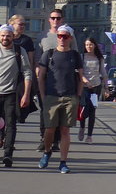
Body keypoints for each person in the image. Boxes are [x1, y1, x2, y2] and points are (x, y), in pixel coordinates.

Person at [37, 24, 83, 173]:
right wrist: (43, 96)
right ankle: (47, 151)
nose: (62, 39)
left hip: (69, 97)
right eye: (59, 36)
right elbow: (41, 77)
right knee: (49, 129)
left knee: (65, 130)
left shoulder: (75, 56)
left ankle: (63, 162)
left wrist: (78, 96)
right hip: (51, 96)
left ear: (70, 38)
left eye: (65, 36)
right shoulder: (49, 54)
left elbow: (81, 78)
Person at [0, 24, 34, 167]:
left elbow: (27, 72)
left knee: (11, 124)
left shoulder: (19, 51)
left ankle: (8, 155)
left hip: (11, 94)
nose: (5, 38)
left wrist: (26, 94)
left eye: (8, 35)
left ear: (13, 36)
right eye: (2, 35)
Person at [38, 9, 68, 155]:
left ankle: (55, 141)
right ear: (49, 20)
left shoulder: (68, 35)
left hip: (61, 79)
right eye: (53, 18)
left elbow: (73, 56)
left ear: (62, 20)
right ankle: (43, 139)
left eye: (58, 18)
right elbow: (37, 57)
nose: (55, 21)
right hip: (45, 77)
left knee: (58, 111)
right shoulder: (43, 36)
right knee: (45, 110)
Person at [8, 15, 38, 123]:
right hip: (6, 76)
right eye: (20, 24)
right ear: (12, 24)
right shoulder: (5, 38)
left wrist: (31, 77)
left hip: (21, 77)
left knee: (18, 108)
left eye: (24, 24)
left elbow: (31, 60)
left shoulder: (27, 40)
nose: (23, 26)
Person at [78, 37, 107, 144]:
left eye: (90, 44)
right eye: (86, 45)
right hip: (84, 86)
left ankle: (89, 136)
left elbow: (103, 73)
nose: (88, 47)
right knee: (84, 109)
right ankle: (82, 127)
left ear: (94, 45)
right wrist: (86, 82)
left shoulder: (99, 58)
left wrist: (106, 87)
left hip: (96, 87)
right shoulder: (81, 57)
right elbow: (79, 73)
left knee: (92, 111)